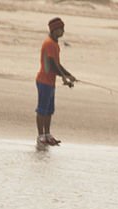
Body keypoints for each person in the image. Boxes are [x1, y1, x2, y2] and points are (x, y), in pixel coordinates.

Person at [36, 17, 77, 147]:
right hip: (43, 81)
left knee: (49, 110)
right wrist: (64, 77)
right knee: (42, 110)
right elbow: (51, 66)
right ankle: (40, 136)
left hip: (50, 82)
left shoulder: (55, 44)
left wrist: (68, 75)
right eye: (61, 29)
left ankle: (47, 134)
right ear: (54, 30)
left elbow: (57, 64)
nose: (63, 31)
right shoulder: (48, 43)